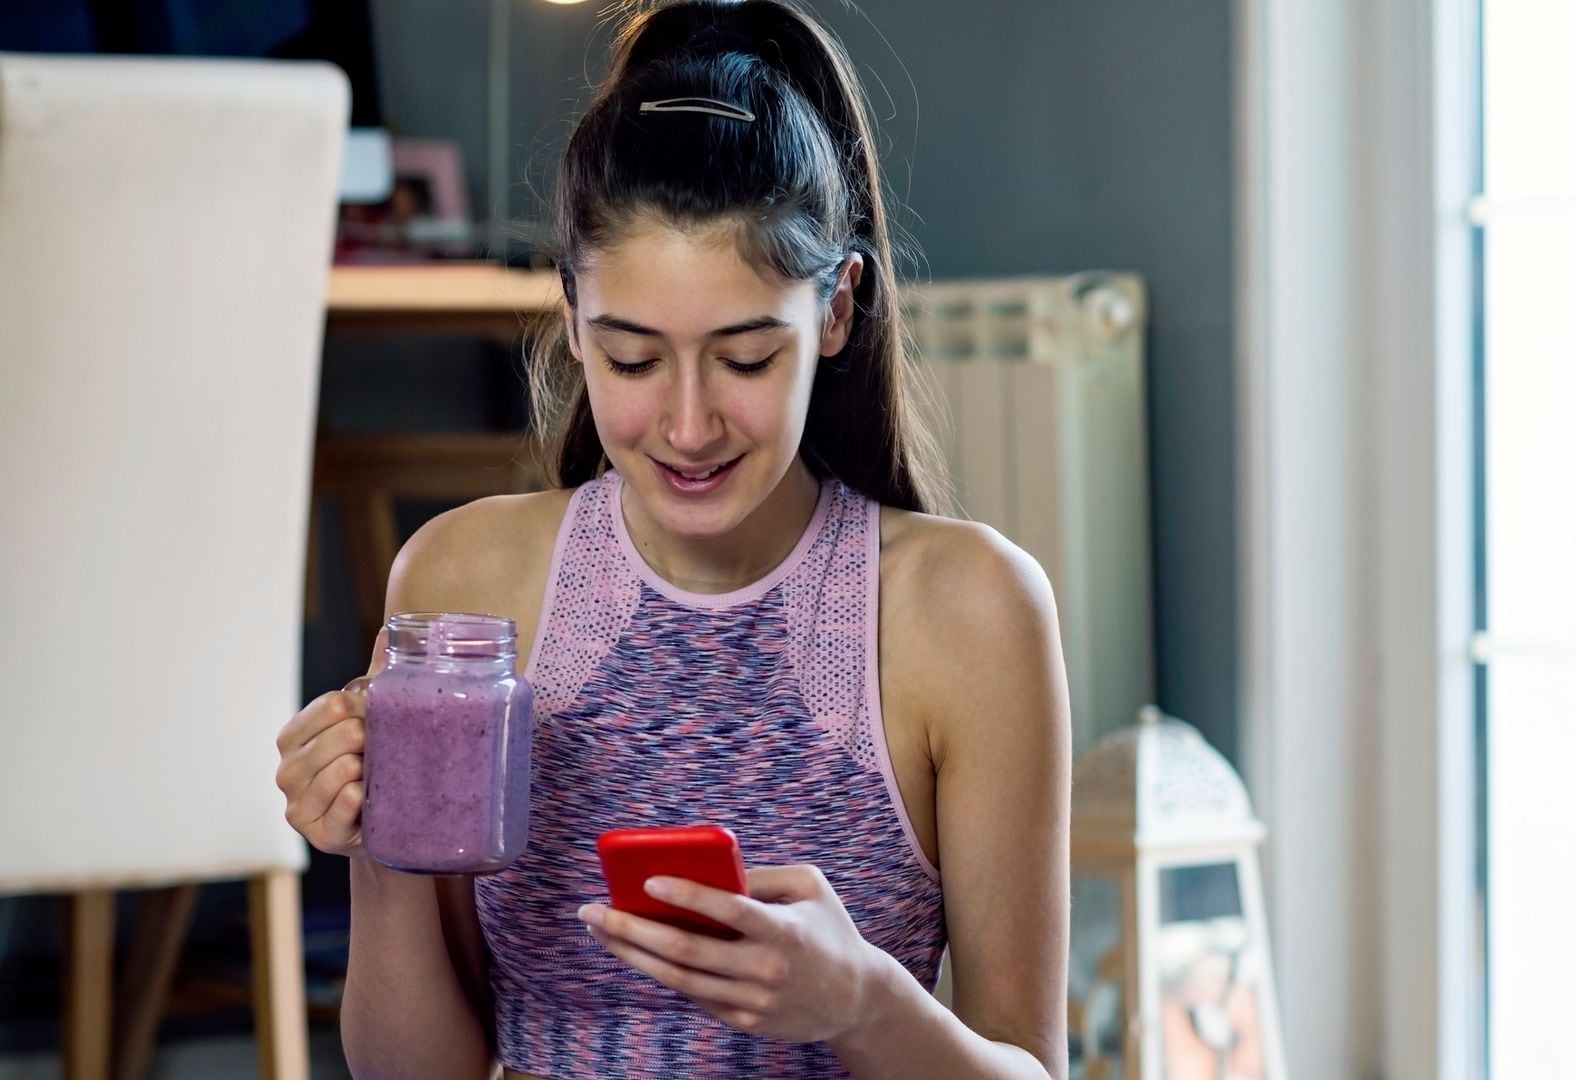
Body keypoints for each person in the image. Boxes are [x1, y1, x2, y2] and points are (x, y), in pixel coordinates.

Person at [272, 1, 1070, 1076]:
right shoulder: (466, 584)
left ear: (836, 310)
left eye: (744, 359)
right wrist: (383, 852)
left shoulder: (968, 613)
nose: (688, 427)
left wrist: (865, 1003)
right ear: (570, 316)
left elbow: (1028, 1063)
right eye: (635, 361)